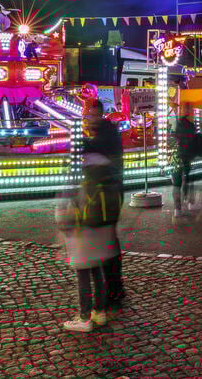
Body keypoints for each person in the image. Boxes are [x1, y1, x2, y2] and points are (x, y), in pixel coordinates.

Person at [58, 149, 122, 332]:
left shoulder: (79, 166)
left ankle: (84, 318)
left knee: (83, 273)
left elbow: (67, 195)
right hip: (103, 227)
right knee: (97, 270)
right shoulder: (105, 164)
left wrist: (63, 222)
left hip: (84, 227)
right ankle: (99, 312)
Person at [83, 100, 125, 311]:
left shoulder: (105, 135)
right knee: (109, 240)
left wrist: (81, 142)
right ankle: (114, 286)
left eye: (91, 116)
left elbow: (98, 154)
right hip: (111, 194)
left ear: (98, 114)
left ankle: (112, 289)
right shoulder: (108, 133)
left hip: (108, 195)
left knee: (107, 241)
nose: (89, 120)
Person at [172, 103, 199, 217]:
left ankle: (177, 209)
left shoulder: (175, 124)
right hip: (188, 156)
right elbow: (195, 142)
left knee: (176, 183)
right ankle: (190, 202)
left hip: (177, 156)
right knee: (189, 179)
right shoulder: (192, 126)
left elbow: (171, 138)